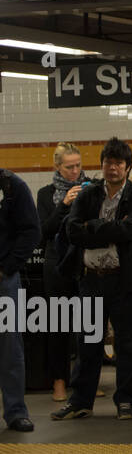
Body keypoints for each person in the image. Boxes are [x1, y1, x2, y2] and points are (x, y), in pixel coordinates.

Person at [52, 138, 132, 422]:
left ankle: (125, 401)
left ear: (127, 166)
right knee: (88, 343)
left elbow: (131, 230)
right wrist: (108, 229)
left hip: (124, 281)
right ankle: (81, 401)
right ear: (102, 164)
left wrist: (92, 228)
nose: (113, 168)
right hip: (90, 280)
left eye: (119, 163)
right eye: (108, 162)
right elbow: (71, 230)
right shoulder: (89, 194)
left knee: (128, 344)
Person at [35, 143, 89, 402]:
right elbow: (43, 231)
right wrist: (64, 205)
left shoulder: (91, 189)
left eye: (78, 166)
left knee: (87, 324)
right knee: (58, 325)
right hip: (56, 263)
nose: (75, 171)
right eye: (69, 167)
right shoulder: (46, 194)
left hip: (84, 262)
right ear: (57, 167)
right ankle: (59, 380)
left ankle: (84, 379)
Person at [1, 165, 41, 431]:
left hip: (4, 279)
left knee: (10, 345)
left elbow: (31, 230)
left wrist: (7, 267)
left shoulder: (12, 186)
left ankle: (15, 411)